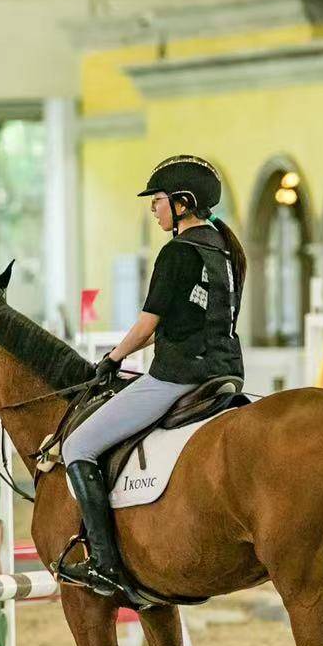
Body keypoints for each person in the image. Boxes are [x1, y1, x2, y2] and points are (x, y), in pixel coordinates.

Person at [56, 155, 245, 599]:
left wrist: (112, 358)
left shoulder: (177, 252)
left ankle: (104, 563)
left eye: (158, 201)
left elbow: (147, 325)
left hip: (178, 377)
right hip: (226, 374)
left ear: (182, 203)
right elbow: (183, 324)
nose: (154, 210)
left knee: (77, 445)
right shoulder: (224, 249)